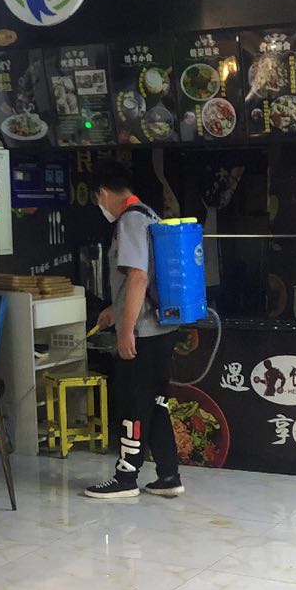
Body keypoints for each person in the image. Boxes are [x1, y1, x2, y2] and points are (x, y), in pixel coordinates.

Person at [85, 161, 184, 500]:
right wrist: (115, 310)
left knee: (133, 403)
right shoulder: (149, 214)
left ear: (103, 193)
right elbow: (142, 279)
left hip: (143, 332)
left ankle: (126, 477)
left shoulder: (130, 220)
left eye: (98, 198)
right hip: (162, 327)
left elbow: (138, 276)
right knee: (156, 403)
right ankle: (169, 475)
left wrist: (126, 330)